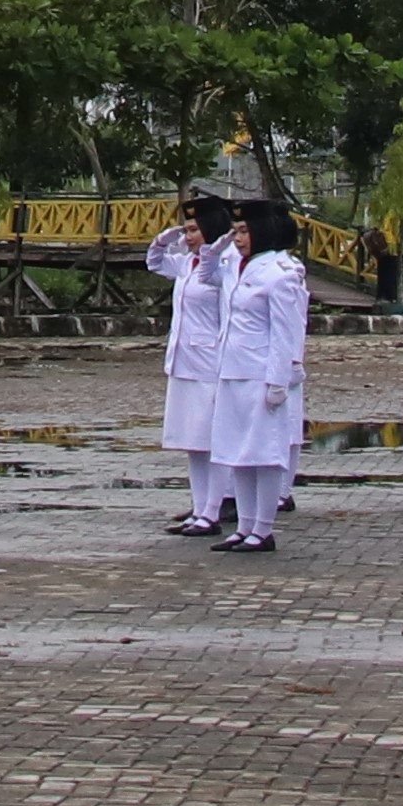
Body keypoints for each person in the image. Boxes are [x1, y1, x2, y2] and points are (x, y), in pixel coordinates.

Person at [210, 195, 315, 552]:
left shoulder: (280, 274)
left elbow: (285, 332)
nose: (238, 238)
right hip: (233, 370)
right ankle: (244, 526)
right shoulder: (241, 267)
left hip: (261, 374)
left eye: (244, 231)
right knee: (237, 452)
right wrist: (222, 243)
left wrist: (278, 382)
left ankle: (264, 529)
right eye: (235, 231)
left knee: (265, 453)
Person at [148, 194, 239, 539]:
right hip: (183, 360)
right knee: (192, 442)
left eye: (193, 230)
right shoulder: (186, 262)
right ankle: (199, 508)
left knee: (212, 441)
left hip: (210, 363)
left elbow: (229, 314)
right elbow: (155, 262)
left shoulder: (224, 263)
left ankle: (214, 511)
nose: (188, 237)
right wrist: (166, 238)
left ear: (211, 228)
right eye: (186, 231)